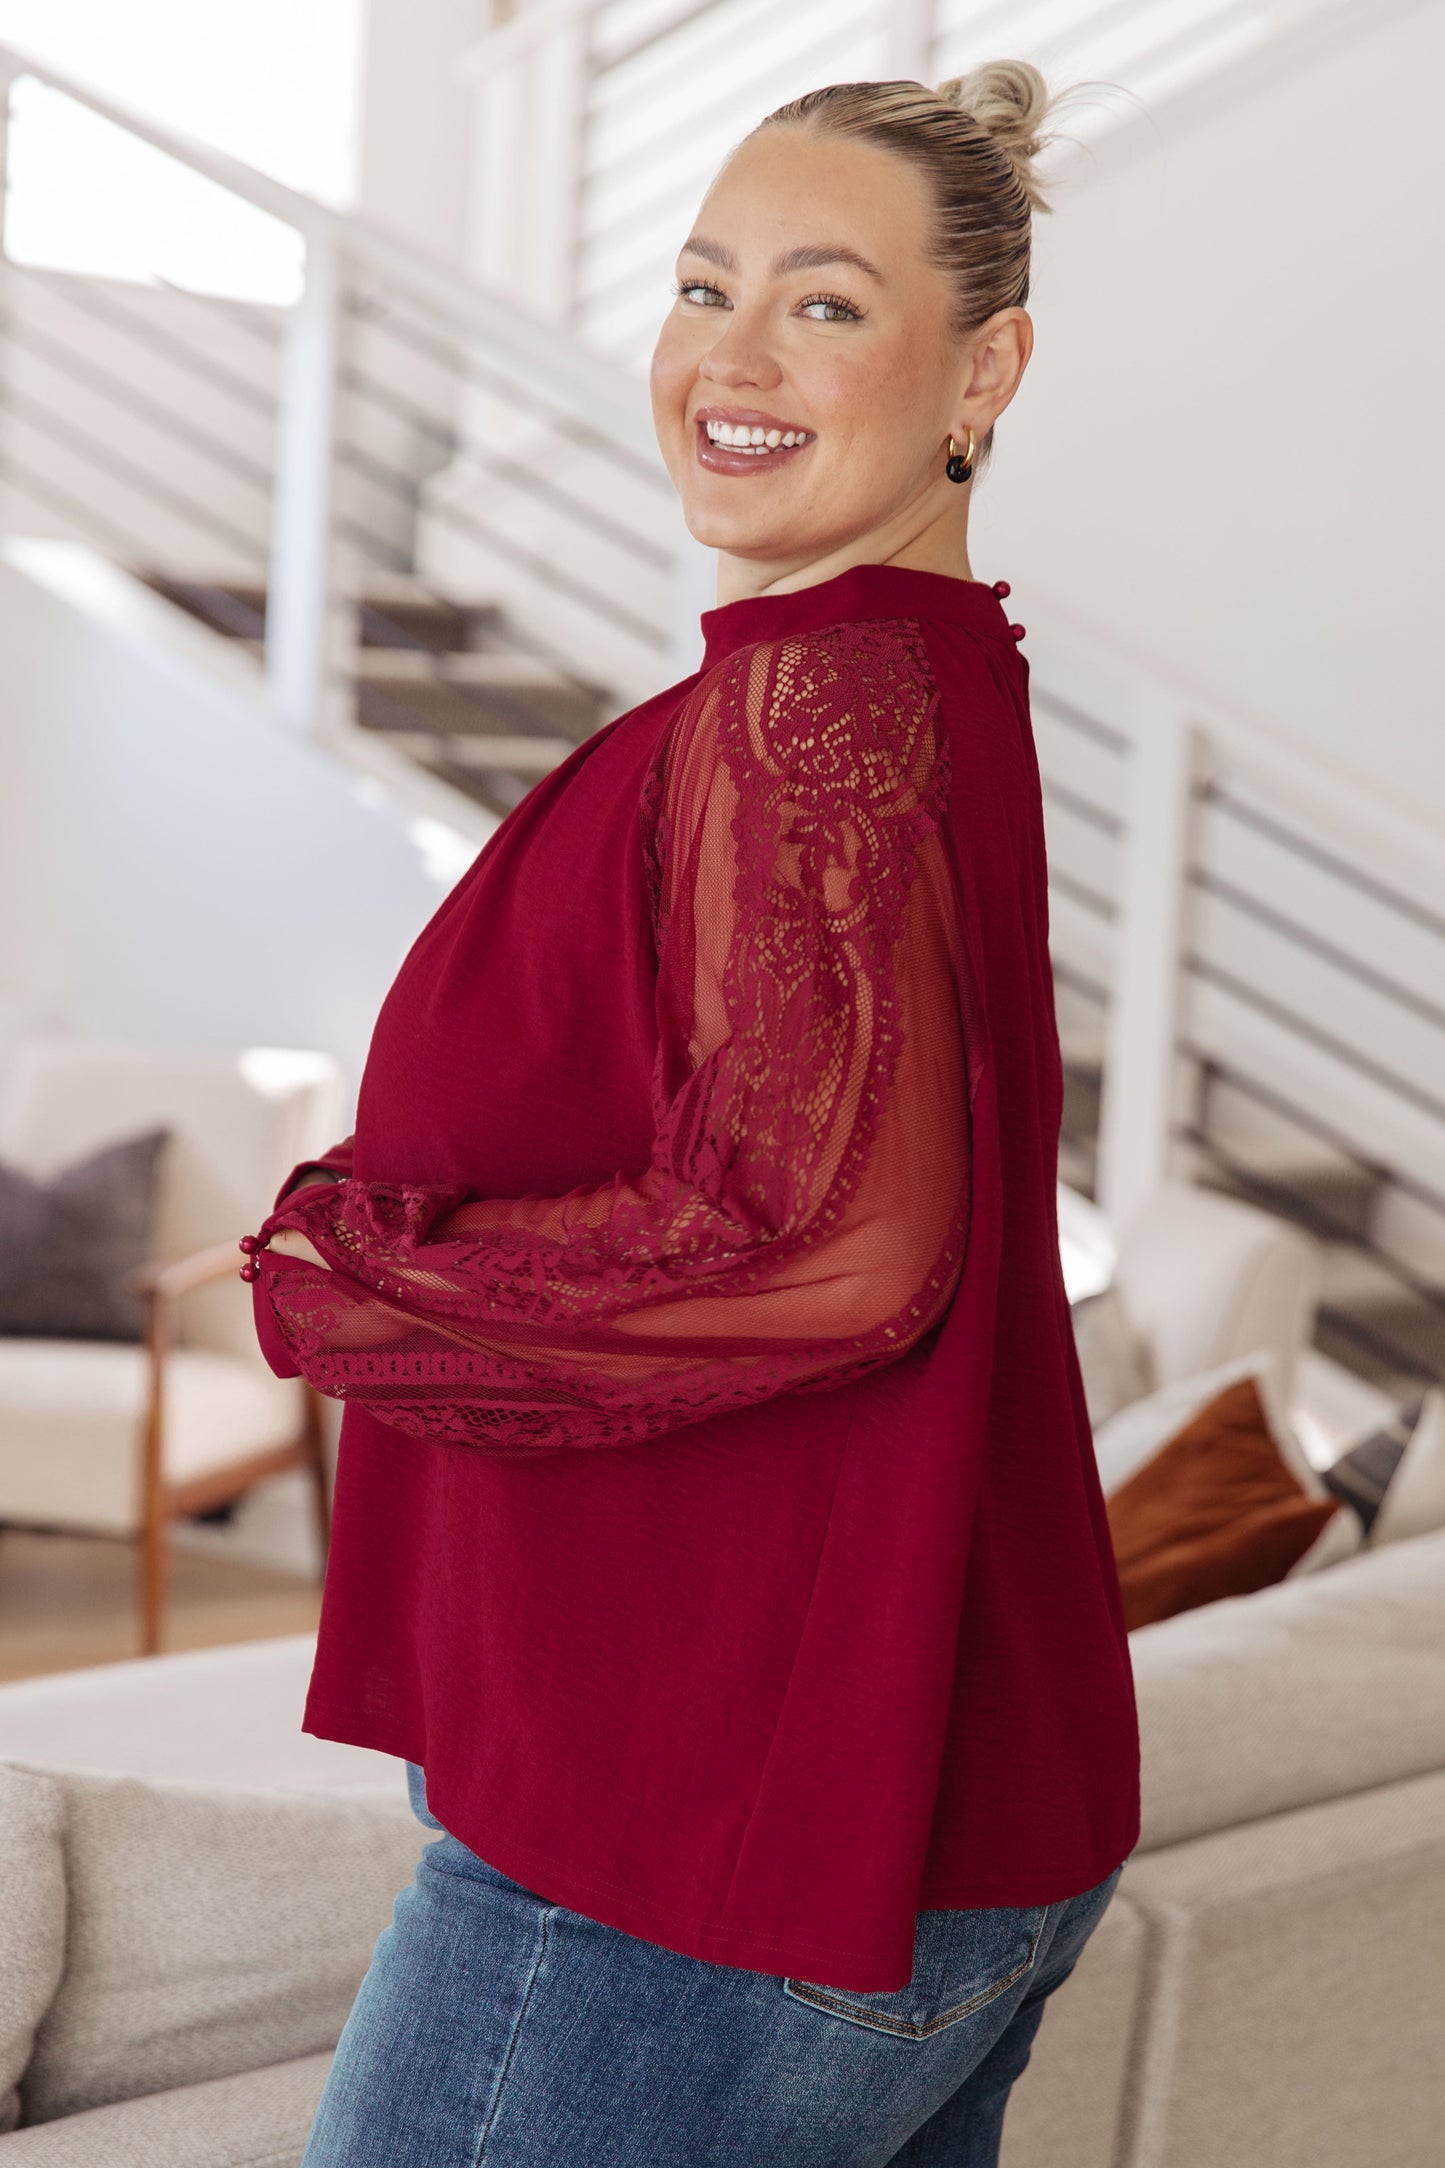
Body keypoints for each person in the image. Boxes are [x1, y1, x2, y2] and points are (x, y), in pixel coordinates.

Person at [249, 59, 1141, 2168]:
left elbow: (825, 1243)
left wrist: (356, 1278)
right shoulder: (910, 679)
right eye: (699, 283)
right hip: (906, 1815)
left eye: (825, 304)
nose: (729, 357)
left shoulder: (814, 706)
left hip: (700, 1836)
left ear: (983, 368)